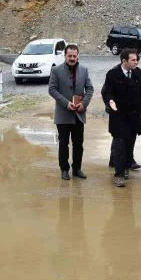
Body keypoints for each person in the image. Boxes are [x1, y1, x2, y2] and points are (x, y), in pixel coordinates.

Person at [48, 43, 94, 180]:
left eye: (74, 56)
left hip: (78, 114)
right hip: (63, 114)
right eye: (70, 56)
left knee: (78, 144)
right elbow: (52, 90)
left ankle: (77, 169)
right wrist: (66, 103)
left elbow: (90, 89)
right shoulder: (56, 71)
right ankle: (64, 169)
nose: (72, 58)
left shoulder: (84, 70)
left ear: (78, 56)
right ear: (65, 56)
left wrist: (83, 104)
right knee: (63, 143)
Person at [101, 49, 141, 188]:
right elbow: (107, 92)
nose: (136, 62)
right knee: (120, 144)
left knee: (130, 143)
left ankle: (126, 167)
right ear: (124, 61)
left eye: (136, 59)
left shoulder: (138, 73)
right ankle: (119, 175)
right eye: (133, 60)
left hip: (133, 116)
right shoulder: (113, 74)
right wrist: (110, 102)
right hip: (118, 115)